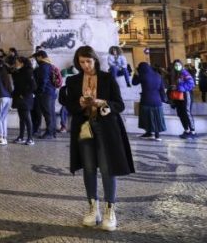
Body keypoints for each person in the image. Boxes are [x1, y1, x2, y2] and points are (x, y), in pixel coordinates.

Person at [59, 46, 134, 231]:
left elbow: (120, 105)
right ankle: (93, 208)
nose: (85, 66)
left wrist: (104, 103)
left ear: (95, 60)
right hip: (84, 128)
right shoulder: (73, 81)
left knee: (108, 168)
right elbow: (69, 106)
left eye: (88, 61)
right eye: (82, 62)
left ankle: (110, 210)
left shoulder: (108, 78)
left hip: (105, 128)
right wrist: (79, 103)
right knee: (89, 168)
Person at [132, 61, 167, 140]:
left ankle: (148, 133)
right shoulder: (158, 75)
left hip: (146, 99)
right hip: (157, 100)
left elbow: (134, 83)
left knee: (147, 117)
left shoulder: (143, 75)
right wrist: (163, 99)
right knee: (157, 117)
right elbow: (162, 89)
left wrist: (136, 74)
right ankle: (157, 136)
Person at [168, 60, 197, 139]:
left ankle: (193, 132)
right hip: (178, 97)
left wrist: (178, 87)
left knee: (187, 112)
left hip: (186, 95)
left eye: (178, 65)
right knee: (180, 113)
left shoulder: (185, 73)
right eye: (175, 65)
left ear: (181, 65)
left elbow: (191, 84)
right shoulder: (175, 74)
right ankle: (186, 130)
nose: (177, 66)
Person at [12, 56, 36, 145]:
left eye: (17, 62)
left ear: (22, 63)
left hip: (25, 98)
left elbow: (33, 86)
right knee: (22, 119)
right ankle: (21, 137)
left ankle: (30, 138)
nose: (15, 63)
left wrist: (24, 95)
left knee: (27, 118)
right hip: (19, 98)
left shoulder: (28, 71)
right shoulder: (19, 71)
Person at [33, 50, 58, 139]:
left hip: (45, 93)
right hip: (51, 92)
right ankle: (53, 131)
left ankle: (49, 133)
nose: (36, 59)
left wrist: (39, 91)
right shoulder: (49, 65)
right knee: (51, 113)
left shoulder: (43, 66)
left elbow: (43, 80)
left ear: (40, 57)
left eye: (36, 57)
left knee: (47, 113)